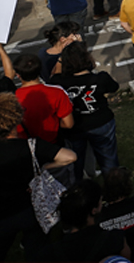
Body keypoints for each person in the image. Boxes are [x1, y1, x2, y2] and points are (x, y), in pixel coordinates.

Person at [0, 92, 77, 262]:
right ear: (17, 121)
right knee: (37, 252)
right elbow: (70, 157)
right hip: (28, 210)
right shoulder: (30, 146)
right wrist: (43, 166)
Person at [50, 41, 120, 183]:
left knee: (76, 163)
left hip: (75, 127)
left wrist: (61, 59)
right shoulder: (100, 78)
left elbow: (52, 77)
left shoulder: (60, 83)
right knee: (108, 160)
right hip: (101, 122)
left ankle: (80, 192)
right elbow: (114, 87)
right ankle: (116, 190)